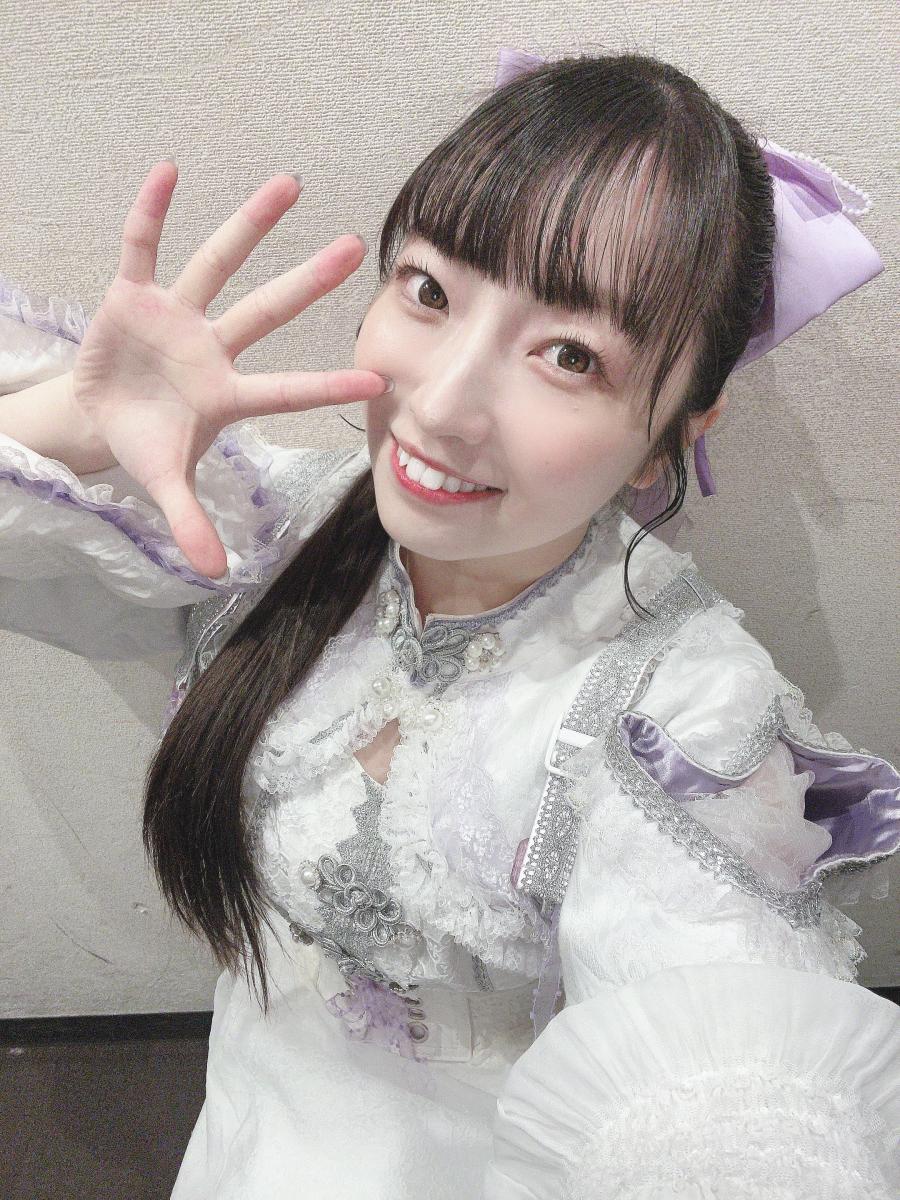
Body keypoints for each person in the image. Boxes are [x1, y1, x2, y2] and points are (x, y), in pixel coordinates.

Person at [1, 46, 897, 1200]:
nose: (443, 400)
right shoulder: (276, 523)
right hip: (247, 1120)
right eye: (429, 291)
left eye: (569, 355)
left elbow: (727, 1085)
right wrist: (65, 424)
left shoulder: (679, 715)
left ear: (680, 427)